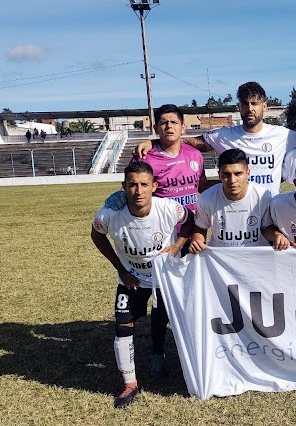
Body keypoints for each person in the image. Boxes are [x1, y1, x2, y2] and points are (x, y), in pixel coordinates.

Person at [104, 103, 208, 379]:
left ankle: (195, 348)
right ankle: (158, 353)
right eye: (163, 123)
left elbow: (202, 186)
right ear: (156, 128)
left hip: (192, 231)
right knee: (157, 300)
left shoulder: (195, 155)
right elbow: (128, 188)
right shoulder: (147, 155)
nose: (169, 126)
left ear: (183, 127)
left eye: (174, 122)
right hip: (161, 237)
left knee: (187, 298)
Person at [134, 82, 296, 196]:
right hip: (236, 210)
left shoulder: (285, 136)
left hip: (271, 211)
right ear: (239, 107)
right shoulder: (223, 136)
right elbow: (188, 141)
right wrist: (153, 142)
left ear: (265, 106)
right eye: (245, 104)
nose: (250, 109)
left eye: (255, 103)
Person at [91, 161, 194, 408]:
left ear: (154, 186)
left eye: (144, 184)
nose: (139, 191)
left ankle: (158, 355)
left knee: (161, 319)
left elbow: (189, 221)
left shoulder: (168, 208)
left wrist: (177, 246)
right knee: (123, 325)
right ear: (124, 186)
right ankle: (129, 384)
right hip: (132, 279)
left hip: (163, 278)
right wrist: (120, 269)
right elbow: (96, 235)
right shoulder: (109, 214)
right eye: (133, 185)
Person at [189, 149, 271, 252]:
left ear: (248, 173)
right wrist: (197, 241)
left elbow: (267, 227)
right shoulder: (206, 198)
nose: (232, 180)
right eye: (226, 174)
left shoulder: (262, 195)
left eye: (238, 174)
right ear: (219, 175)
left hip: (255, 259)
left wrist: (277, 236)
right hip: (221, 261)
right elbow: (200, 229)